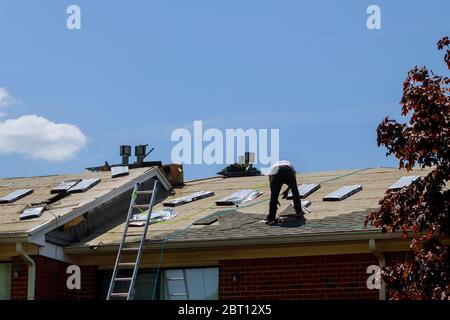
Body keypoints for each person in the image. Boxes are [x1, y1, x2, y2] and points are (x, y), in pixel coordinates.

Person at [266, 160, 303, 225]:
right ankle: (299, 212)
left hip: (275, 172)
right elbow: (293, 184)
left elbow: (271, 182)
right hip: (287, 170)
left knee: (273, 196)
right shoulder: (290, 166)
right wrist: (288, 190)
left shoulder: (273, 167)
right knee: (295, 191)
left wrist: (275, 197)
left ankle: (272, 219)